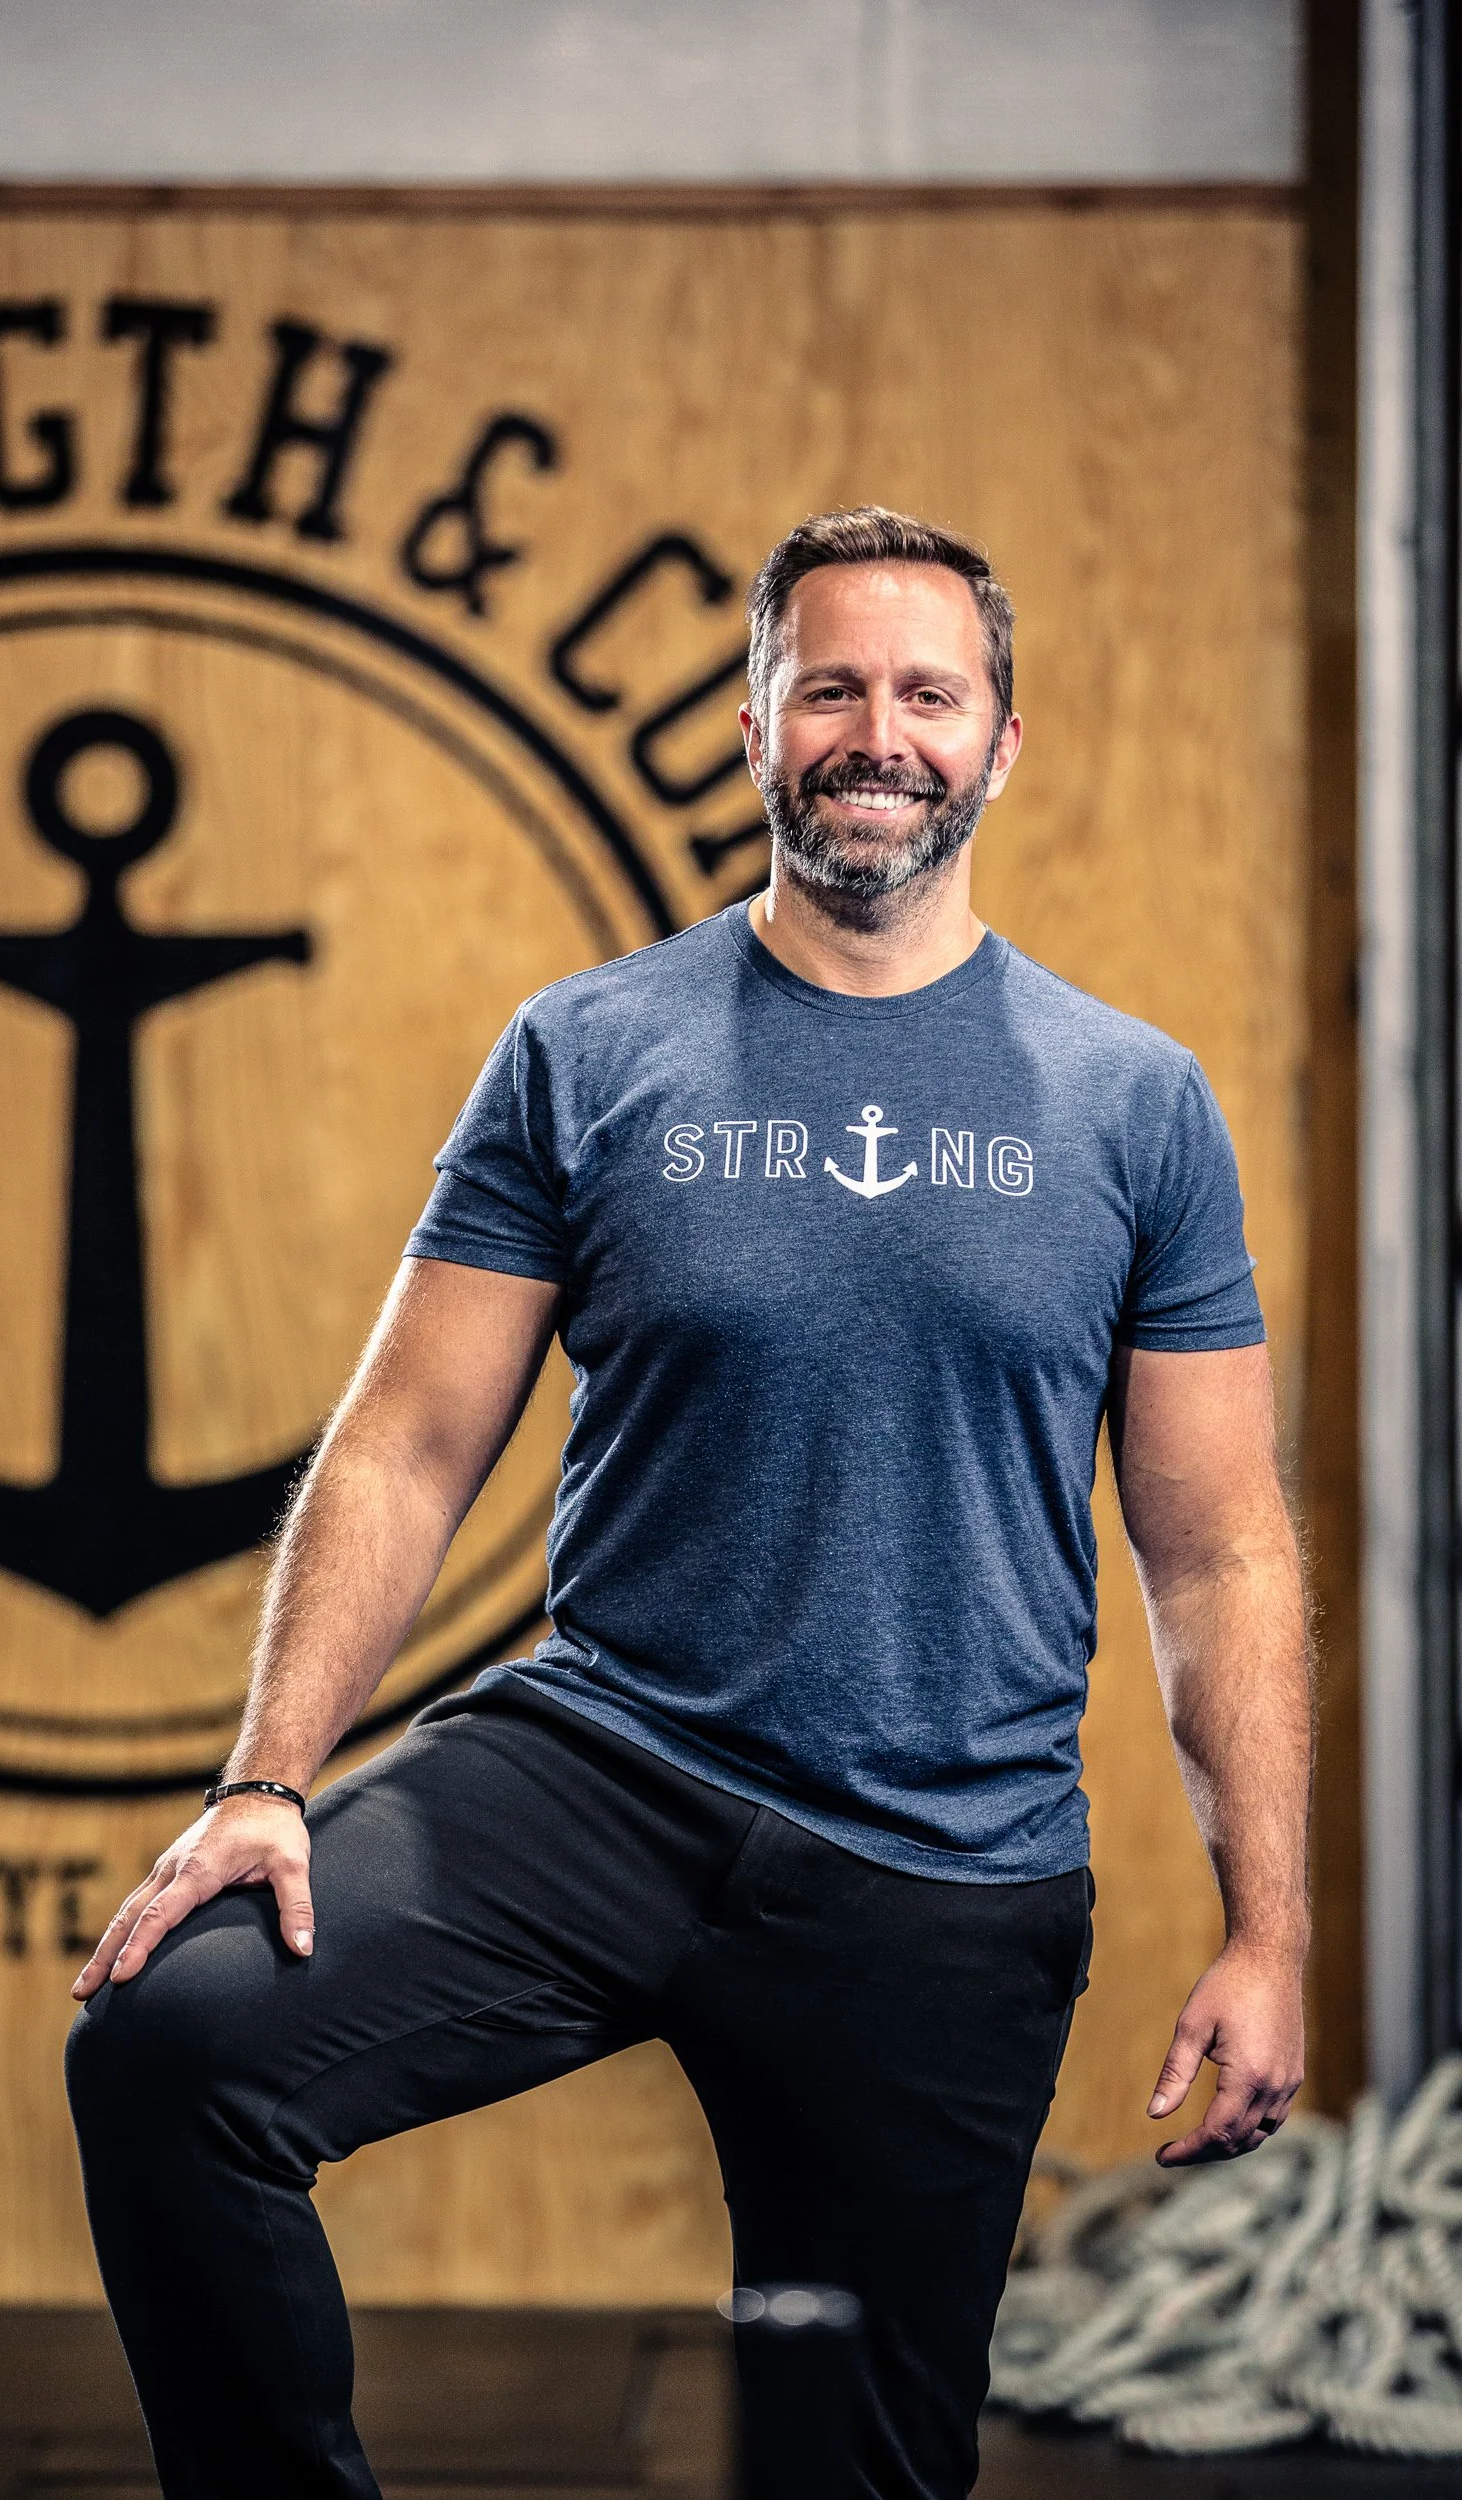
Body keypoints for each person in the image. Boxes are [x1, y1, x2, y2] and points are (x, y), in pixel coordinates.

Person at [65, 507, 1312, 2500]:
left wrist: (1268, 1921)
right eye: (827, 685)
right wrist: (264, 1776)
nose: (874, 731)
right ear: (753, 725)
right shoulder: (584, 1050)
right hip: (597, 1775)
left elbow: (1217, 1542)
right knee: (167, 2044)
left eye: (926, 692)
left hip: (938, 1856)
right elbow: (400, 1439)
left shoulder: (1129, 1101)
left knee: (854, 2463)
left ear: (1000, 745)